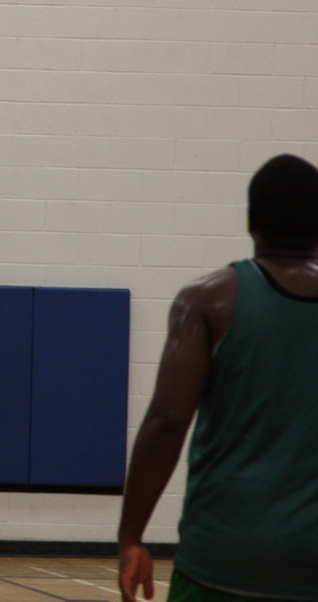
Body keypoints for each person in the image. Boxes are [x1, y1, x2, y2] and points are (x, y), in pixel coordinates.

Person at [118, 153, 318, 602]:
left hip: (223, 556)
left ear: (251, 221)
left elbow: (168, 422)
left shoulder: (208, 300)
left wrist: (130, 537)